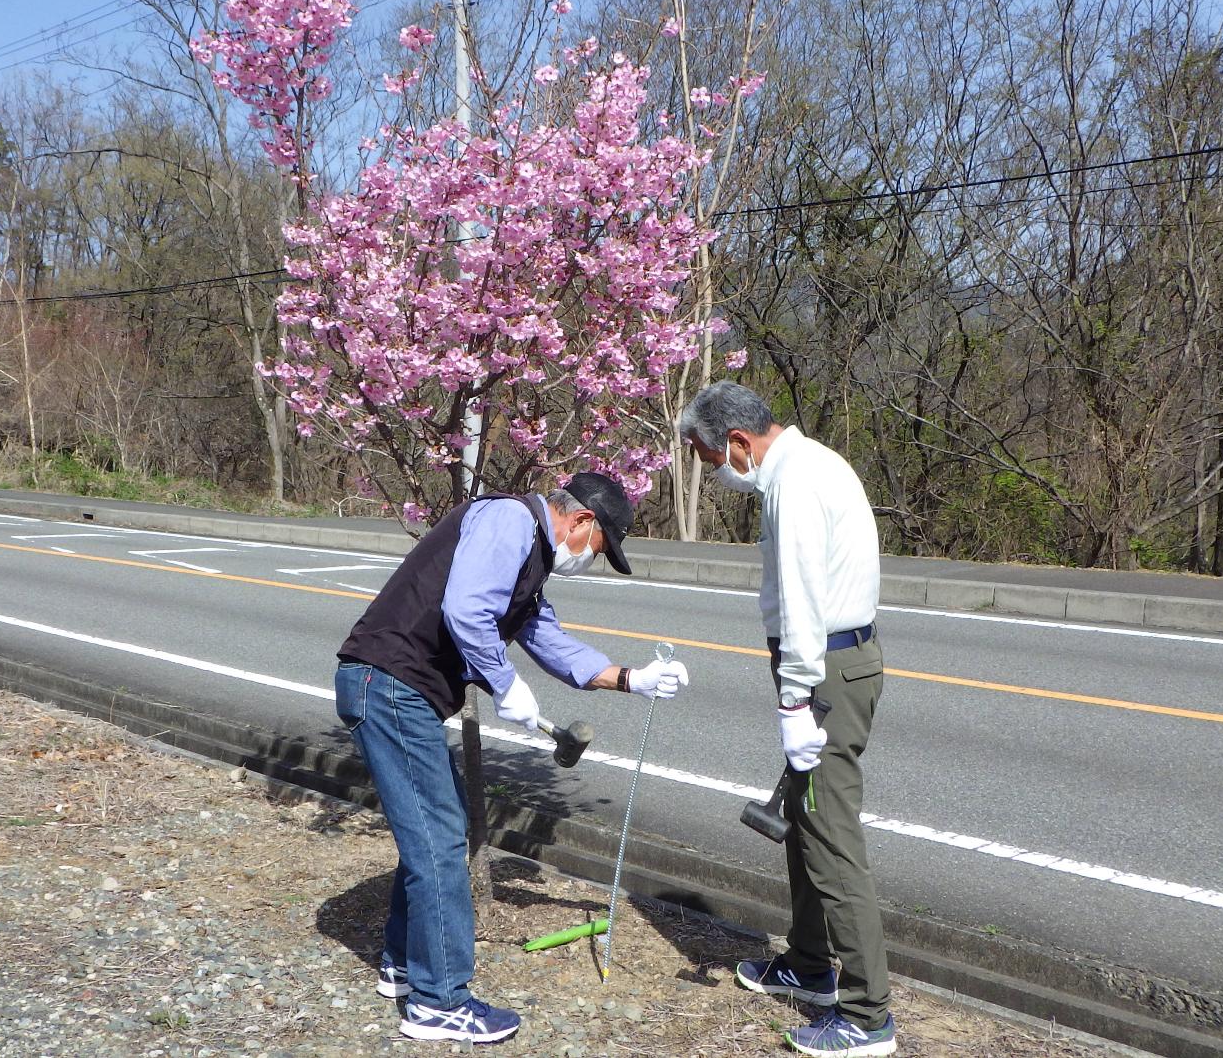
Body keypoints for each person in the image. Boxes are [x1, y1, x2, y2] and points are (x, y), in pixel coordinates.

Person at [334, 471, 691, 1045]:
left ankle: (404, 963)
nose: (593, 560)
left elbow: (548, 639)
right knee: (441, 841)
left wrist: (631, 678)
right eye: (600, 548)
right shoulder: (509, 521)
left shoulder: (530, 560)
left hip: (398, 690)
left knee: (436, 831)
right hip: (390, 685)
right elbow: (467, 608)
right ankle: (438, 1002)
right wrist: (505, 684)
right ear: (580, 522)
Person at [678, 382, 898, 1058]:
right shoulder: (809, 464)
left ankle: (868, 1015)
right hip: (829, 663)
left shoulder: (794, 484)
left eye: (709, 455)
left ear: (739, 443)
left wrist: (796, 699)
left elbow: (803, 598)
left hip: (823, 668)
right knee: (805, 817)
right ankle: (809, 963)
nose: (712, 468)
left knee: (830, 835)